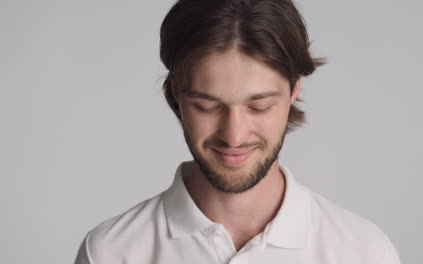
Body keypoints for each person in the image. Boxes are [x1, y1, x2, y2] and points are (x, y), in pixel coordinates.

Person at [74, 0, 401, 263]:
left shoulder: (364, 252)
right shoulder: (110, 253)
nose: (234, 136)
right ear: (175, 94)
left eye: (259, 106)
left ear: (294, 90)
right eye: (207, 105)